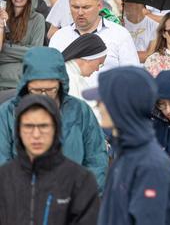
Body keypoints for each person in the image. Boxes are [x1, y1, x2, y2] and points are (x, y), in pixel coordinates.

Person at [84, 66, 170, 225]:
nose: (97, 106)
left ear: (121, 106)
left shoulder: (150, 165)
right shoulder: (125, 154)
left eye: (102, 100)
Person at [0, 47, 107, 189]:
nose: (43, 96)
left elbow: (96, 159)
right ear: (26, 86)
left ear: (60, 84)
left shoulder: (79, 110)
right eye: (36, 90)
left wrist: (82, 198)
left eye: (50, 90)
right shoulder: (8, 112)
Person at [0, 94, 100, 225]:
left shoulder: (81, 180)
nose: (36, 135)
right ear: (18, 130)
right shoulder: (4, 177)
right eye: (28, 126)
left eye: (44, 126)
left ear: (56, 129)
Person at [49, 0, 139, 69]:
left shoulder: (120, 35)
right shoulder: (59, 37)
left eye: (86, 7)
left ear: (99, 5)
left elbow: (133, 76)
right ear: (69, 4)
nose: (80, 12)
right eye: (75, 7)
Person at [0, 0, 46, 90]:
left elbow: (35, 52)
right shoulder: (2, 17)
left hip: (21, 78)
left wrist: (5, 49)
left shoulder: (38, 19)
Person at [61, 33, 107, 100]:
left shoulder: (71, 73)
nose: (97, 69)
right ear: (89, 58)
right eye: (99, 63)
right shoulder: (69, 78)